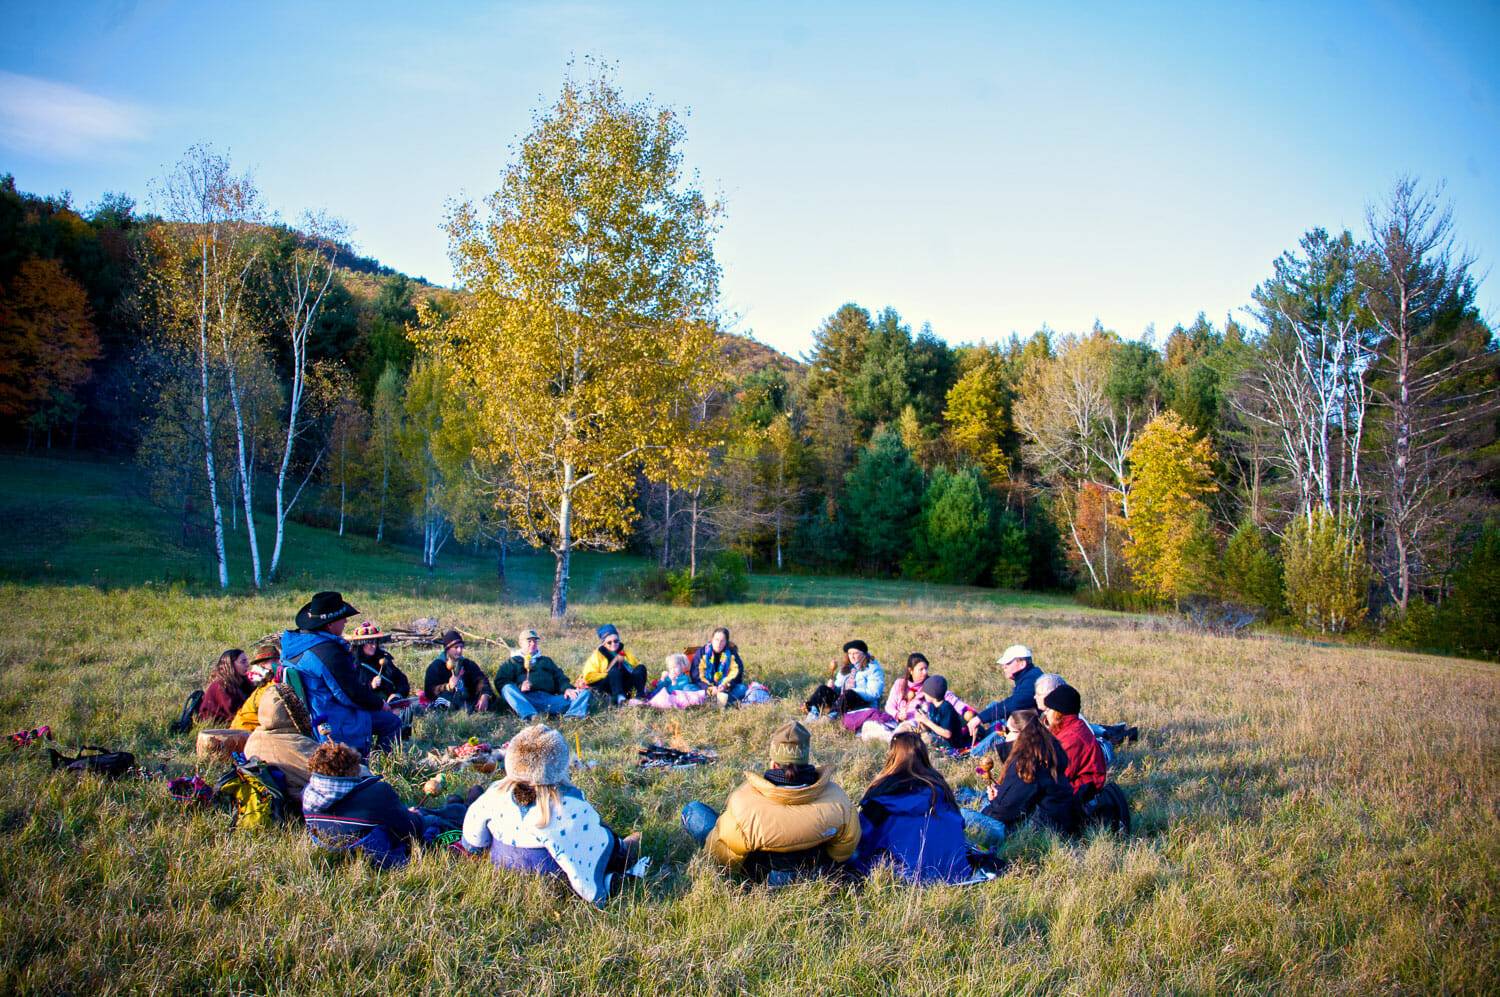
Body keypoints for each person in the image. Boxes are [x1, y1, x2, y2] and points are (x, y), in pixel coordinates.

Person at [462, 724, 641, 906]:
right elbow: (596, 843)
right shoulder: (570, 806)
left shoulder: (496, 792)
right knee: (610, 843)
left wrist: (476, 848)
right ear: (560, 764)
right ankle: (622, 857)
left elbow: (473, 836)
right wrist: (615, 845)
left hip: (502, 865)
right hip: (553, 876)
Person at [680, 720, 860, 885]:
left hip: (765, 880)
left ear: (774, 764)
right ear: (805, 760)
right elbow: (843, 851)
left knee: (693, 810)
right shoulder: (838, 799)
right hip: (816, 873)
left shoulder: (744, 802)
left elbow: (723, 859)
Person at [303, 741, 468, 868]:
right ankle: (463, 810)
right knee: (434, 817)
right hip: (382, 856)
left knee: (426, 811)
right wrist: (413, 816)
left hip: (338, 849)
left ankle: (454, 805)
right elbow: (412, 829)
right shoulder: (377, 793)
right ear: (350, 770)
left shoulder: (308, 797)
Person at [281, 591, 401, 755]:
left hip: (312, 714)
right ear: (330, 624)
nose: (345, 621)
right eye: (342, 618)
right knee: (391, 722)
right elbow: (349, 694)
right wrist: (380, 704)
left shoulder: (295, 645)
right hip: (331, 719)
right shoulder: (328, 652)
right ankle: (373, 768)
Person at [850, 732, 971, 883]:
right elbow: (960, 825)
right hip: (955, 872)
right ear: (923, 754)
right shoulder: (940, 788)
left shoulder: (882, 791)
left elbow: (861, 836)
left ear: (892, 756)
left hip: (905, 875)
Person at [960, 709, 1082, 847]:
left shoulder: (1026, 764)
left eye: (1007, 730)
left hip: (1038, 833)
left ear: (1020, 734)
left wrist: (991, 805)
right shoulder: (1044, 751)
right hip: (1055, 823)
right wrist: (999, 794)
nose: (1004, 735)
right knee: (978, 802)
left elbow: (1004, 812)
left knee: (962, 815)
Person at [243, 683, 361, 807]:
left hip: (274, 804)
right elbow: (339, 773)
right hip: (306, 807)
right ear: (292, 710)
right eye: (298, 702)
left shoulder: (253, 739)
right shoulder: (295, 744)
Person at [848, 652, 983, 742]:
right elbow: (889, 706)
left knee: (904, 728)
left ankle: (894, 740)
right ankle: (892, 739)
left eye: (926, 669)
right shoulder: (899, 684)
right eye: (921, 669)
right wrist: (897, 714)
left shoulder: (932, 687)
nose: (925, 672)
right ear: (910, 670)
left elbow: (952, 700)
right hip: (895, 721)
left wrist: (970, 713)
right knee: (868, 725)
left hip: (917, 725)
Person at [494, 629, 592, 720]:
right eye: (529, 641)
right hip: (525, 700)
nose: (533, 644)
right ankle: (531, 717)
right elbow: (500, 681)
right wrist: (520, 687)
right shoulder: (512, 662)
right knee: (507, 688)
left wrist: (567, 688)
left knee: (584, 693)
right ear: (520, 643)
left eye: (535, 641)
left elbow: (560, 678)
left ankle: (573, 717)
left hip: (549, 700)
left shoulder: (546, 661)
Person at [1041, 684, 1108, 801]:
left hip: (1078, 794)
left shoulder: (1073, 738)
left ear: (1058, 713)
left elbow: (1056, 776)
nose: (1045, 714)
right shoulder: (1067, 728)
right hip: (1073, 788)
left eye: (1048, 710)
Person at [804, 640, 885, 720]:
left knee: (849, 693)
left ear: (863, 654)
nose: (852, 656)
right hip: (843, 701)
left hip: (863, 704)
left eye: (855, 653)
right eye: (849, 653)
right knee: (822, 689)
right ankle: (813, 714)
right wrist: (833, 687)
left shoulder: (873, 668)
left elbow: (875, 692)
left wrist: (853, 691)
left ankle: (831, 717)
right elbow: (838, 690)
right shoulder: (847, 668)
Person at [422, 630, 495, 713]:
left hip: (466, 698)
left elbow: (481, 679)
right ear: (447, 649)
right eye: (456, 647)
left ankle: (472, 708)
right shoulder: (436, 666)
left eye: (461, 647)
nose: (460, 650)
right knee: (443, 701)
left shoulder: (467, 663)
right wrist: (448, 686)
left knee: (488, 697)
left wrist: (484, 695)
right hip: (448, 698)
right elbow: (429, 691)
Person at [577, 624, 648, 705]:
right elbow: (588, 676)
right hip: (608, 685)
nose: (613, 644)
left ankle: (640, 697)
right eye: (609, 642)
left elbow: (636, 668)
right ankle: (619, 700)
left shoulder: (624, 652)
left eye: (616, 641)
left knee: (641, 668)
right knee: (615, 671)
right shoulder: (597, 656)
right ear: (603, 644)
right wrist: (607, 675)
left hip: (625, 682)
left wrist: (640, 682)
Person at [977, 644, 1044, 726]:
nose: (1003, 667)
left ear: (1022, 664)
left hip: (1035, 729)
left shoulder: (1032, 680)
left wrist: (980, 718)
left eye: (1008, 663)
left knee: (995, 721)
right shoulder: (1030, 675)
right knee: (993, 706)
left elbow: (1015, 704)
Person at [907, 675, 974, 752]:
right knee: (911, 731)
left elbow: (947, 734)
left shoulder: (946, 708)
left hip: (951, 744)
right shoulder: (932, 705)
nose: (923, 694)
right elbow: (932, 728)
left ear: (933, 695)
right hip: (937, 737)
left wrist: (927, 721)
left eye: (925, 692)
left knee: (924, 739)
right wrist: (922, 722)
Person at [350, 621, 410, 702]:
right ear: (360, 644)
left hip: (391, 703)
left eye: (375, 642)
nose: (374, 646)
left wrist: (397, 694)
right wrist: (371, 686)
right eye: (370, 642)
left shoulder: (383, 658)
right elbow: (351, 691)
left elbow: (401, 679)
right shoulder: (352, 664)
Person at [230, 645, 282, 732]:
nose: (279, 662)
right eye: (275, 660)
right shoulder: (269, 685)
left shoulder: (268, 681)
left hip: (243, 726)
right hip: (244, 731)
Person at [690, 626, 747, 704]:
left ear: (726, 642)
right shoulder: (701, 652)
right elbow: (696, 676)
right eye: (716, 640)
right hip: (706, 688)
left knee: (742, 688)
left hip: (724, 689)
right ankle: (721, 702)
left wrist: (726, 685)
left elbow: (736, 673)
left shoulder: (731, 653)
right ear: (712, 640)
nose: (719, 643)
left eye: (722, 641)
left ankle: (710, 702)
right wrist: (709, 688)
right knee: (688, 687)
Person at [198, 648, 253, 724]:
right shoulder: (220, 685)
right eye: (243, 662)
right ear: (231, 665)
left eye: (246, 661)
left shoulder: (242, 681)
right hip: (216, 725)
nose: (247, 665)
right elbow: (234, 713)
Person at [644, 652, 708, 710]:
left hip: (675, 696)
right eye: (671, 668)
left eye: (675, 667)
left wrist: (674, 682)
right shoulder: (668, 677)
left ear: (682, 667)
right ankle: (648, 698)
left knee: (687, 688)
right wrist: (662, 678)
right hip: (666, 695)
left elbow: (677, 691)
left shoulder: (684, 678)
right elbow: (660, 687)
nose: (673, 670)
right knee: (658, 690)